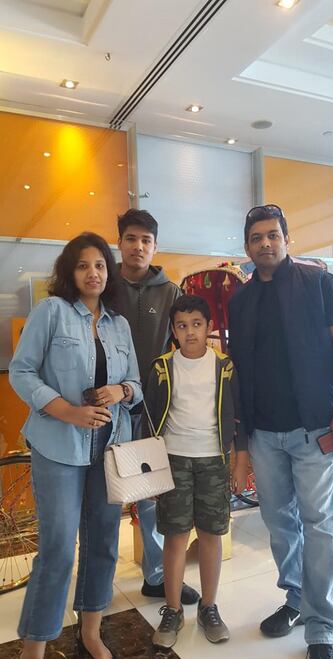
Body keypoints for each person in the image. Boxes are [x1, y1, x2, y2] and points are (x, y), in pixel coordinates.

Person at [9, 233, 142, 659]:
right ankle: (31, 655)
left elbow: (137, 383)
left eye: (101, 265)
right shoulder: (51, 313)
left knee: (105, 541)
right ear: (71, 272)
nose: (94, 273)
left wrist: (122, 392)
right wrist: (66, 410)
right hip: (58, 446)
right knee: (59, 549)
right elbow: (22, 372)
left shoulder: (119, 324)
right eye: (84, 265)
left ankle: (90, 631)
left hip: (108, 448)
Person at [228, 204, 333, 659]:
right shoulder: (240, 302)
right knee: (279, 521)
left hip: (315, 429)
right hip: (265, 433)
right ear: (247, 246)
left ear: (287, 238)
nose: (265, 243)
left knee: (320, 523)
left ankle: (322, 631)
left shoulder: (319, 283)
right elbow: (238, 371)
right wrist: (241, 443)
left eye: (272, 235)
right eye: (256, 237)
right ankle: (297, 597)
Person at [144, 294, 248, 649]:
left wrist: (240, 460)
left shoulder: (224, 367)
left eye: (197, 325)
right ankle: (173, 609)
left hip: (213, 460)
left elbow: (238, 417)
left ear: (209, 327)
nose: (190, 332)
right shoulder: (162, 367)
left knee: (211, 534)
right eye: (182, 326)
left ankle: (209, 606)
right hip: (173, 460)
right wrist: (151, 472)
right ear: (173, 330)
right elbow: (150, 421)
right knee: (175, 536)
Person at [117, 208, 198, 605]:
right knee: (100, 496)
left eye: (145, 240)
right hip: (106, 409)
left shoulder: (170, 292)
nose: (138, 247)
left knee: (151, 495)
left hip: (151, 409)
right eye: (131, 239)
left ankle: (157, 574)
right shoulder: (103, 284)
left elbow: (183, 344)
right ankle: (93, 586)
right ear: (120, 243)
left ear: (154, 246)